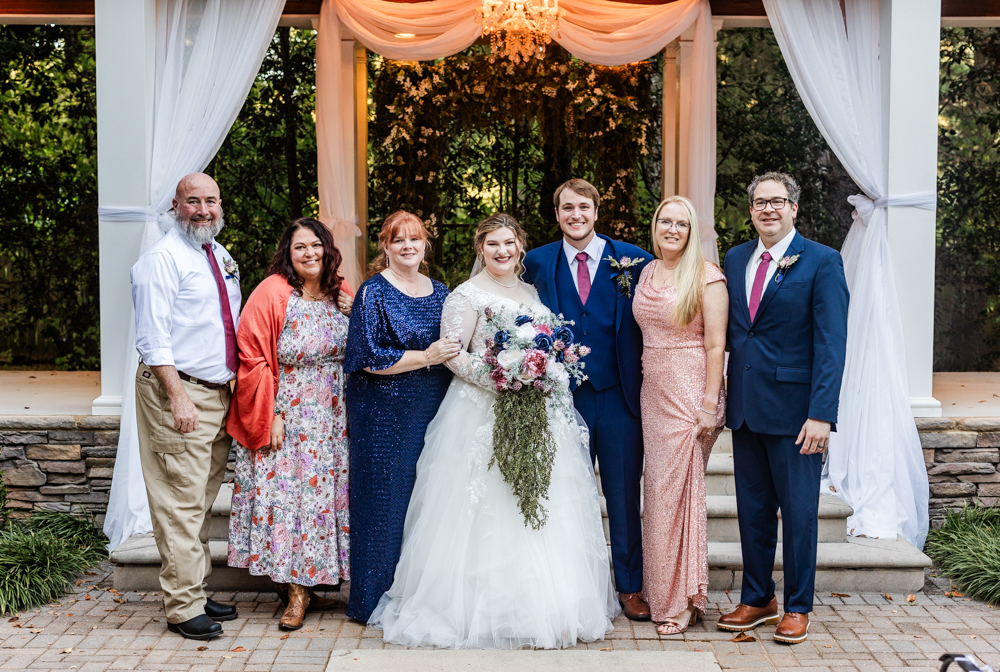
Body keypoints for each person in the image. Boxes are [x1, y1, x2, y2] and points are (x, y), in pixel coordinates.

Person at [369, 213, 618, 649]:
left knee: (540, 504)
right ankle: (476, 609)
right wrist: (505, 380)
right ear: (480, 249)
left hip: (538, 415)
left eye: (508, 243)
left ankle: (547, 607)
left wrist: (540, 373)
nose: (501, 251)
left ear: (520, 246)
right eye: (492, 245)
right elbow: (452, 355)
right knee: (486, 508)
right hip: (481, 414)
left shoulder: (533, 291)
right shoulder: (465, 296)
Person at [717, 172, 848, 644]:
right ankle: (758, 597)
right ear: (750, 210)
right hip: (747, 409)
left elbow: (832, 345)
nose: (767, 209)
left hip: (798, 415)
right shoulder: (734, 259)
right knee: (752, 511)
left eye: (777, 201)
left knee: (798, 514)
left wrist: (822, 414)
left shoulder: (822, 262)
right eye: (759, 202)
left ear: (794, 207)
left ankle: (797, 606)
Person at [522, 178, 653, 620]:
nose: (575, 215)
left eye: (583, 207)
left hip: (618, 397)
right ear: (556, 214)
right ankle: (569, 588)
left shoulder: (634, 260)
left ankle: (630, 586)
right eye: (566, 208)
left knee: (621, 495)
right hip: (560, 399)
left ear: (597, 211)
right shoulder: (535, 262)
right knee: (564, 496)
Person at [226, 218, 354, 630]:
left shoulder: (342, 292)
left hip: (336, 417)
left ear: (327, 249)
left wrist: (358, 312)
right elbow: (252, 354)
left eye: (316, 245)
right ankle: (295, 594)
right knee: (293, 502)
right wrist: (273, 414)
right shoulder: (273, 292)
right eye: (300, 247)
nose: (309, 254)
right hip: (290, 414)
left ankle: (316, 583)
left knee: (323, 502)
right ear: (288, 252)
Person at [131, 172, 240, 640]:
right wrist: (177, 397)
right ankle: (182, 607)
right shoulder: (161, 260)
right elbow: (152, 337)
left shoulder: (218, 254)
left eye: (210, 201)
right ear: (176, 206)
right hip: (180, 393)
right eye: (192, 201)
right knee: (179, 503)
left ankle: (193, 589)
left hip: (217, 393)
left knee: (198, 500)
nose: (203, 209)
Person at [343, 211, 457, 622]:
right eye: (398, 240)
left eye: (414, 239)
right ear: (385, 248)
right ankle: (373, 599)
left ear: (425, 244)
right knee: (384, 502)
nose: (407, 246)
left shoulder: (442, 292)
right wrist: (427, 356)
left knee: (426, 500)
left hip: (432, 405)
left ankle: (417, 593)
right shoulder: (373, 292)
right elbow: (368, 356)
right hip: (382, 410)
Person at [632, 196, 728, 635]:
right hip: (654, 393)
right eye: (665, 221)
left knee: (680, 499)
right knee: (658, 496)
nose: (672, 229)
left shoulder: (707, 277)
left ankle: (685, 600)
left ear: (692, 232)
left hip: (692, 398)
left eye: (682, 224)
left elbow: (715, 345)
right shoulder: (646, 272)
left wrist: (709, 404)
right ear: (655, 225)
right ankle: (662, 590)